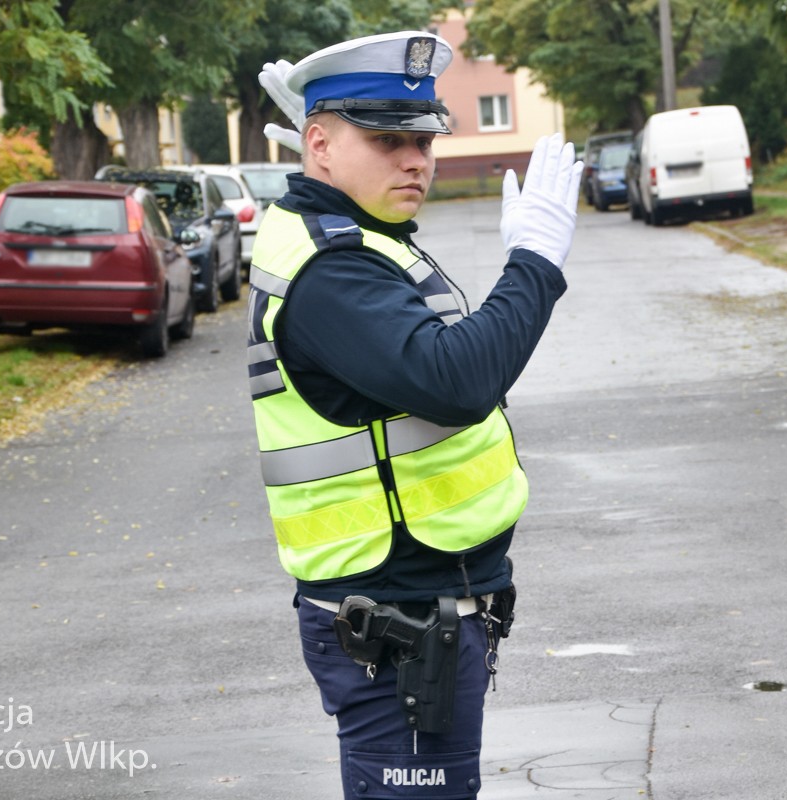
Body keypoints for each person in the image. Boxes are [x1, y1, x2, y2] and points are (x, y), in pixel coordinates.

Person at [246, 30, 582, 799]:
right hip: (395, 621)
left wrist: (332, 148)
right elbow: (455, 380)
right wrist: (535, 265)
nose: (416, 160)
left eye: (424, 139)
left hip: (415, 609)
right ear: (319, 144)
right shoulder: (335, 269)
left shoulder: (358, 238)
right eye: (388, 140)